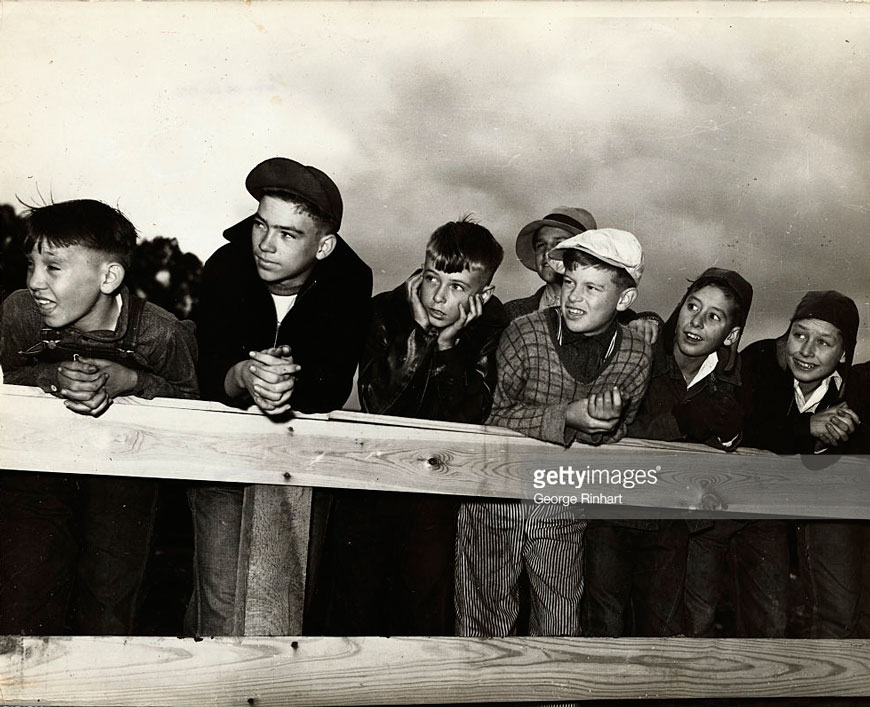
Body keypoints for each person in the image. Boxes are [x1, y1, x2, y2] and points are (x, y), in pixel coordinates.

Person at [186, 157, 372, 636]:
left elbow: (333, 383)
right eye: (260, 225)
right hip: (222, 454)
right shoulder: (226, 265)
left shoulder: (351, 279)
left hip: (301, 460)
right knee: (221, 595)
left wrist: (291, 385)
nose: (265, 245)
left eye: (288, 234)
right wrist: (244, 375)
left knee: (286, 603)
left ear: (324, 245)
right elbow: (205, 370)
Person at [0, 198, 199, 634]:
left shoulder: (160, 333)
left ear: (109, 276)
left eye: (53, 268)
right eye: (30, 264)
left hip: (124, 482)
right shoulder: (18, 313)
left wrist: (133, 381)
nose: (34, 281)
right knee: (25, 598)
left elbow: (194, 403)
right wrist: (50, 376)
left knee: (109, 608)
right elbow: (11, 374)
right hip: (38, 476)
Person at [455, 228, 652, 639]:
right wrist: (568, 417)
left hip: (563, 500)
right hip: (495, 497)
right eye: (569, 282)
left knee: (560, 620)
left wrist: (603, 426)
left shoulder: (636, 351)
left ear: (625, 299)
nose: (574, 297)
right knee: (482, 620)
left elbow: (620, 429)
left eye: (592, 287)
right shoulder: (524, 333)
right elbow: (490, 415)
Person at [316, 217, 507, 636]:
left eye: (457, 288)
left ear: (484, 294)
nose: (438, 297)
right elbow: (378, 401)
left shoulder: (492, 326)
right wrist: (421, 334)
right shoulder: (384, 310)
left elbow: (470, 416)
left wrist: (448, 346)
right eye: (432, 278)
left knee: (418, 619)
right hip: (369, 489)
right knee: (352, 616)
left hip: (433, 501)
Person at [584, 268, 753, 637]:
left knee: (660, 633)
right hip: (613, 515)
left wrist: (727, 438)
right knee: (604, 627)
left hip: (671, 528)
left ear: (732, 334)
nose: (696, 322)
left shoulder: (726, 381)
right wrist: (681, 422)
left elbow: (725, 454)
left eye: (714, 316)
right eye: (692, 306)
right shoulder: (637, 351)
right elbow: (610, 435)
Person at [742, 291, 868, 638]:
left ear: (844, 352)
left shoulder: (858, 391)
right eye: (799, 335)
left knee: (842, 612)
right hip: (755, 519)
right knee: (764, 622)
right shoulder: (761, 363)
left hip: (823, 520)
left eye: (824, 342)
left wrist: (845, 433)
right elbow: (738, 424)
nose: (807, 351)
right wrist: (805, 427)